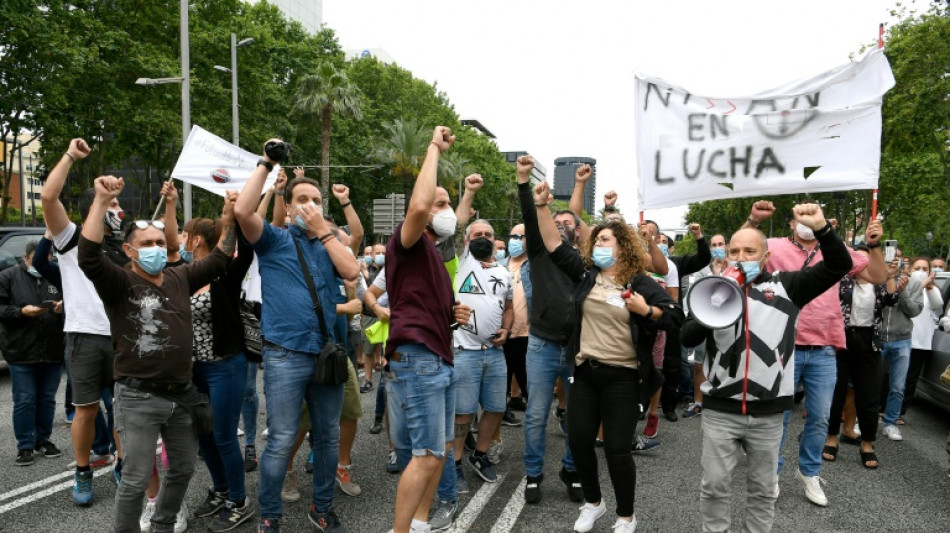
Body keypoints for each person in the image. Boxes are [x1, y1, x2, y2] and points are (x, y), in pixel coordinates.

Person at [78, 176, 235, 533]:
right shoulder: (118, 281)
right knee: (134, 479)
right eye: (146, 243)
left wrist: (229, 216)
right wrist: (102, 201)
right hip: (138, 396)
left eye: (160, 243)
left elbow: (222, 257)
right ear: (130, 251)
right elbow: (88, 254)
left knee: (182, 469)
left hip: (181, 395)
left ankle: (163, 524)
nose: (154, 249)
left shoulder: (180, 277)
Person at [682, 203, 852, 532]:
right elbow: (688, 336)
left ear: (764, 257)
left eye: (750, 250)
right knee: (714, 487)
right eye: (734, 250)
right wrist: (713, 302)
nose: (740, 255)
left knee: (762, 492)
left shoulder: (788, 286)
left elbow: (839, 265)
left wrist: (822, 228)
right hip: (721, 409)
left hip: (769, 413)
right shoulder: (713, 289)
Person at [536, 179, 681, 533]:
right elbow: (554, 244)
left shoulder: (639, 282)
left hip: (624, 377)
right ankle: (593, 503)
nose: (597, 244)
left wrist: (646, 310)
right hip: (585, 372)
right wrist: (541, 206)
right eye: (596, 239)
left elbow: (676, 318)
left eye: (604, 239)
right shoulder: (587, 277)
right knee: (579, 440)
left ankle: (626, 516)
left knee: (616, 449)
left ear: (622, 248)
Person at [234, 140, 360, 533]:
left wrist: (324, 230)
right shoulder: (273, 239)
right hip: (285, 355)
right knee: (282, 439)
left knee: (326, 438)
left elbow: (352, 272)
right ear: (287, 207)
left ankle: (321, 508)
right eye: (301, 199)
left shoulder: (330, 239)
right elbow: (242, 211)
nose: (309, 204)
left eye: (316, 199)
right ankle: (270, 514)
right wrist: (268, 163)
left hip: (324, 354)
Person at [744, 200, 886, 507]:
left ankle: (809, 473)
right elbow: (740, 253)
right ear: (792, 223)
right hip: (781, 346)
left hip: (824, 349)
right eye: (801, 216)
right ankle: (772, 475)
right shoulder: (774, 247)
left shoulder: (835, 249)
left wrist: (875, 246)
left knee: (820, 419)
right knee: (776, 418)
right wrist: (753, 222)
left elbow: (876, 276)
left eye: (813, 215)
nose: (807, 220)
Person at [383, 126, 472, 533]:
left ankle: (420, 524)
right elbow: (418, 206)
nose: (446, 207)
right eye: (441, 201)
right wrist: (434, 147)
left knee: (438, 453)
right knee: (425, 455)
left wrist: (454, 313)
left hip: (439, 359)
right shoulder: (408, 241)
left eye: (449, 202)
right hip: (419, 361)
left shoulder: (434, 253)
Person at [41, 138, 131, 505]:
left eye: (118, 203)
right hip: (84, 337)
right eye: (112, 204)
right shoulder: (71, 239)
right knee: (87, 409)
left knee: (125, 407)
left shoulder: (125, 248)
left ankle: (124, 462)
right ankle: (83, 471)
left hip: (122, 337)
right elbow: (48, 198)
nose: (118, 208)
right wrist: (70, 157)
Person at [182, 211, 257, 531]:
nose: (181, 241)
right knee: (204, 437)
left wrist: (233, 218)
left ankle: (239, 501)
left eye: (186, 236)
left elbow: (248, 253)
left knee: (224, 435)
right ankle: (222, 489)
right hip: (195, 370)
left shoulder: (225, 274)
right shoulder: (183, 273)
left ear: (196, 239)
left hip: (226, 365)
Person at [516, 154, 584, 505]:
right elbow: (530, 217)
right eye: (555, 221)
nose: (561, 225)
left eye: (567, 222)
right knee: (536, 414)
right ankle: (533, 474)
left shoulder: (583, 261)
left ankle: (571, 471)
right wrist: (524, 182)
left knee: (576, 416)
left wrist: (580, 188)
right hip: (542, 346)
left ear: (577, 231)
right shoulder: (540, 253)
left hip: (577, 350)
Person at [451, 219, 514, 493]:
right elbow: (456, 224)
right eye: (477, 234)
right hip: (464, 352)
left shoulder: (504, 270)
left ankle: (479, 454)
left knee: (496, 408)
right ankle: (453, 464)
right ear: (467, 240)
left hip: (495, 352)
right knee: (463, 413)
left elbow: (509, 307)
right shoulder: (463, 262)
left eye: (489, 234)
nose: (484, 238)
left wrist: (507, 329)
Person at [823, 244, 889, 469]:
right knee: (836, 392)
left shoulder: (878, 285)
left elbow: (893, 299)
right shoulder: (841, 282)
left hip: (870, 342)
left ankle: (867, 444)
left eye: (865, 260)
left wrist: (888, 271)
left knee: (869, 396)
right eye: (856, 260)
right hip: (842, 340)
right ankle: (831, 438)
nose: (861, 264)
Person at [0, 240, 65, 466]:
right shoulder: (8, 276)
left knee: (47, 400)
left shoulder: (57, 275)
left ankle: (43, 440)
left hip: (53, 349)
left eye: (48, 258)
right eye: (38, 258)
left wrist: (63, 306)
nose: (44, 262)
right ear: (27, 257)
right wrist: (20, 312)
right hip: (21, 350)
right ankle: (25, 445)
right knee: (25, 400)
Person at [680, 233, 729, 418]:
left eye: (720, 244)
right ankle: (698, 402)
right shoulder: (702, 270)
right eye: (714, 244)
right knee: (699, 364)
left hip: (726, 324)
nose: (717, 247)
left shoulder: (735, 268)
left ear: (726, 245)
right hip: (704, 321)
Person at [878, 248, 923, 440]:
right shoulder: (875, 278)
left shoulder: (914, 283)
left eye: (897, 257)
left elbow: (914, 311)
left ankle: (891, 423)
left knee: (897, 386)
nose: (893, 260)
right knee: (870, 383)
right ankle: (863, 420)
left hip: (902, 339)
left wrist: (902, 292)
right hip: (878, 337)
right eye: (889, 256)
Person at [901, 257, 943, 431]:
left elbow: (937, 305)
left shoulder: (934, 290)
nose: (921, 271)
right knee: (895, 377)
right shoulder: (906, 284)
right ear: (911, 270)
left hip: (921, 342)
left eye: (925, 268)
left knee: (911, 379)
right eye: (917, 267)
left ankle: (900, 412)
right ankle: (884, 408)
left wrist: (929, 287)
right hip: (903, 338)